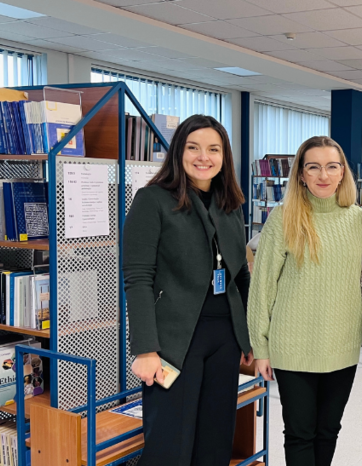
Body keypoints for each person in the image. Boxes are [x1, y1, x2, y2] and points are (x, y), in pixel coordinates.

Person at [123, 114, 252, 466]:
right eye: (193, 147)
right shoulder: (152, 200)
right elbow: (137, 278)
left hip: (224, 336)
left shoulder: (230, 204)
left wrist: (248, 338)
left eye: (213, 149)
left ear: (224, 156)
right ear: (179, 151)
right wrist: (145, 349)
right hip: (175, 342)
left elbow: (239, 276)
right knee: (170, 445)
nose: (203, 157)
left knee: (214, 442)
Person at [249, 136, 362, 466]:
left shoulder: (360, 220)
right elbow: (262, 288)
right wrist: (261, 347)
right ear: (300, 174)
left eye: (332, 166)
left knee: (329, 430)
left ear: (343, 173)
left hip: (341, 344)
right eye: (313, 167)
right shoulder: (284, 218)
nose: (323, 175)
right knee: (300, 433)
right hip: (293, 346)